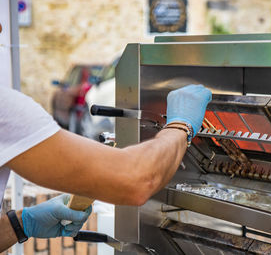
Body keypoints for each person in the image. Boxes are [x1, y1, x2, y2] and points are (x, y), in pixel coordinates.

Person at [0, 84, 212, 252]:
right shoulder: (5, 107)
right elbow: (136, 179)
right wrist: (181, 125)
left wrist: (18, 224)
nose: (1, 28)